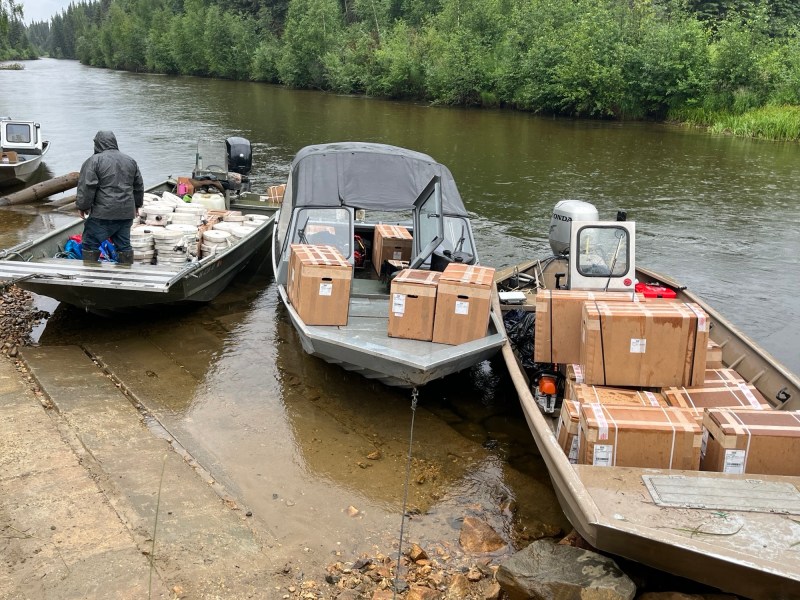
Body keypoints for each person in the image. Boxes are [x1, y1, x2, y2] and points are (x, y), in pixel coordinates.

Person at [75, 131, 144, 265]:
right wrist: (137, 205)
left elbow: (87, 186)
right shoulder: (130, 161)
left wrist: (82, 206)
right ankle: (126, 274)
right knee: (124, 246)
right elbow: (138, 186)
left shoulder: (93, 161)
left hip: (102, 214)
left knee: (90, 244)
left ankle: (91, 276)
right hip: (125, 213)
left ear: (97, 144)